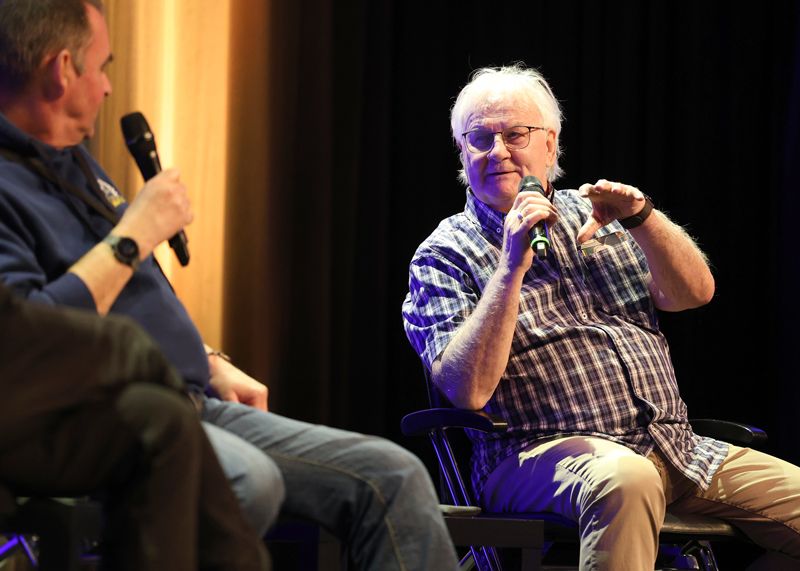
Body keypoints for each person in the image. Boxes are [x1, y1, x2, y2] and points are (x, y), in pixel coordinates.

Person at [0, 1, 458, 569]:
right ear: (61, 69)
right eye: (101, 66)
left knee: (395, 474)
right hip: (103, 425)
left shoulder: (74, 163)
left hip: (193, 399)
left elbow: (136, 298)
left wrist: (206, 358)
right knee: (251, 480)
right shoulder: (7, 182)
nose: (109, 87)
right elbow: (26, 337)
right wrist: (133, 235)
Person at [402, 64, 800, 570]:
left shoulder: (599, 213)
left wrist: (644, 219)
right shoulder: (445, 252)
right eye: (480, 138)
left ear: (551, 143)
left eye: (515, 134)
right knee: (627, 478)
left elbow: (694, 294)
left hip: (675, 447)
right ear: (462, 152)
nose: (498, 150)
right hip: (532, 456)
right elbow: (468, 390)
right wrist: (510, 267)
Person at [0, 282, 269, 571]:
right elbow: (20, 326)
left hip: (198, 398)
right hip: (24, 400)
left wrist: (211, 361)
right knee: (249, 476)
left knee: (160, 418)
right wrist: (128, 247)